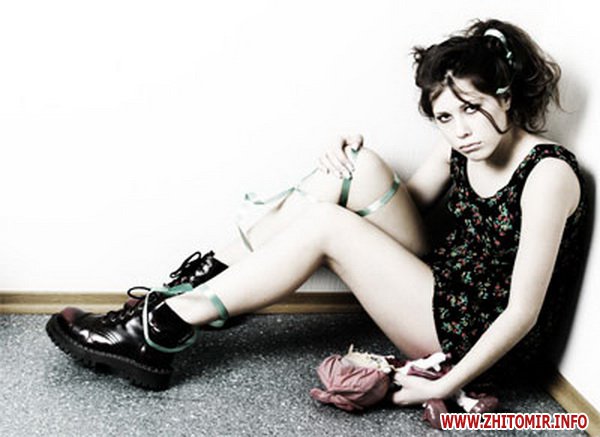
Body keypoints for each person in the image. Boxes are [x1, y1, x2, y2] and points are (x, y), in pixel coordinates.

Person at [46, 18, 587, 407]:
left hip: (476, 335)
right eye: (446, 117)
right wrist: (344, 166)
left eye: (472, 108)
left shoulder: (547, 174)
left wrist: (446, 384)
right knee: (356, 168)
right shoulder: (463, 147)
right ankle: (176, 296)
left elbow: (523, 313)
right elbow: (411, 213)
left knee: (328, 225)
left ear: (506, 97)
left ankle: (163, 323)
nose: (461, 129)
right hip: (445, 288)